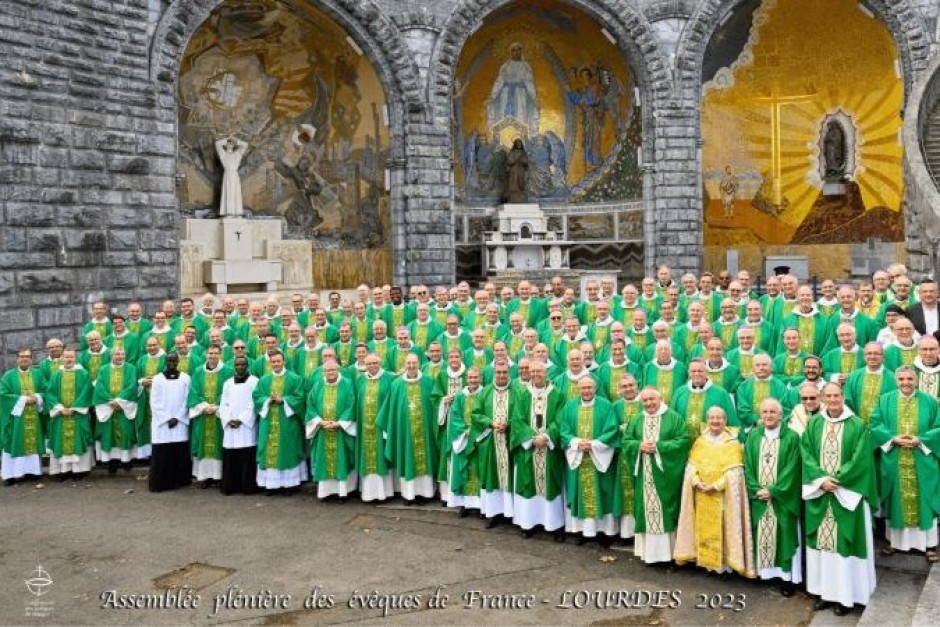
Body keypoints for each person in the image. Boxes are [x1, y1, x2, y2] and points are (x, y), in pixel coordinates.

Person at [802, 383, 877, 616]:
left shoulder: (857, 425)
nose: (833, 399)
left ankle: (846, 597)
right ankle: (824, 592)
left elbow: (861, 458)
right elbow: (806, 453)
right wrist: (820, 480)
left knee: (845, 543)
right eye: (829, 396)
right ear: (823, 398)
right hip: (821, 491)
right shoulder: (815, 423)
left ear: (843, 397)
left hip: (847, 494)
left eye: (837, 395)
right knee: (823, 545)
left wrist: (837, 480)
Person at [674, 406, 755, 578]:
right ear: (707, 420)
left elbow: (735, 473)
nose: (715, 421)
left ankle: (725, 566)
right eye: (712, 418)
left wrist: (716, 486)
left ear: (725, 421)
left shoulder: (732, 443)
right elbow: (691, 467)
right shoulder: (701, 441)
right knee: (702, 527)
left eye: (719, 418)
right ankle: (707, 564)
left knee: (724, 529)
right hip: (702, 494)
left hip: (722, 496)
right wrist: (696, 482)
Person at [869, 367, 940, 561]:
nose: (906, 382)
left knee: (924, 497)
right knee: (895, 499)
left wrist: (921, 440)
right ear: (896, 381)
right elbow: (875, 424)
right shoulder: (885, 400)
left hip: (922, 459)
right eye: (901, 379)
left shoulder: (929, 401)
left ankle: (929, 545)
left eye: (910, 378)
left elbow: (939, 427)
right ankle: (896, 542)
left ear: (916, 380)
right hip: (895, 458)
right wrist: (893, 438)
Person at [622, 387, 690, 563]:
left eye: (652, 399)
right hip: (644, 473)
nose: (649, 403)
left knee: (665, 509)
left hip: (665, 476)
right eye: (644, 401)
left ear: (660, 398)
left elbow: (683, 440)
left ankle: (669, 554)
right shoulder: (637, 419)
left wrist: (659, 447)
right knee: (645, 508)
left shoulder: (673, 417)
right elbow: (626, 441)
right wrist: (639, 446)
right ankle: (649, 554)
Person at [744, 399, 802, 595]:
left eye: (773, 412)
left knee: (784, 535)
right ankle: (764, 573)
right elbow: (748, 466)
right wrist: (755, 488)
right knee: (761, 533)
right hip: (759, 496)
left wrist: (774, 491)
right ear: (760, 414)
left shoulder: (792, 437)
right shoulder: (753, 436)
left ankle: (786, 578)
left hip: (782, 498)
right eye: (765, 412)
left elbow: (793, 468)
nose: (768, 415)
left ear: (781, 415)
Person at [559, 376, 619, 546]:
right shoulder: (570, 406)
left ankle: (604, 533)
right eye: (583, 388)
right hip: (579, 456)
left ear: (595, 388)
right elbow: (564, 430)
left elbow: (612, 429)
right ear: (579, 389)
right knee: (579, 492)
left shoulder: (606, 405)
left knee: (602, 492)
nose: (586, 391)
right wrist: (577, 443)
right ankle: (583, 531)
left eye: (589, 387)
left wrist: (593, 445)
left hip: (598, 457)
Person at [511, 361, 566, 538]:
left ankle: (554, 525)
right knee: (529, 483)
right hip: (529, 448)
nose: (535, 373)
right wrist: (532, 438)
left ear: (546, 372)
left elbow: (560, 419)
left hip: (549, 449)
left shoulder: (557, 394)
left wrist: (547, 436)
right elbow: (517, 419)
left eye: (539, 370)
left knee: (550, 483)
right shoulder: (522, 393)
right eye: (532, 370)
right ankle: (528, 523)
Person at [377, 353, 438, 504]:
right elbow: (390, 409)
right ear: (405, 365)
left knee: (425, 458)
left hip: (425, 431)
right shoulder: (396, 384)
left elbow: (436, 405)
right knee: (407, 457)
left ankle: (425, 493)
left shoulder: (429, 382)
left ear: (419, 364)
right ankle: (409, 494)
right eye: (409, 363)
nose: (411, 366)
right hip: (404, 433)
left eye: (414, 363)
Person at [473, 360, 520, 527]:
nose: (501, 375)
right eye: (498, 372)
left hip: (509, 442)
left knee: (509, 477)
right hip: (491, 442)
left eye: (504, 372)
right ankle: (493, 513)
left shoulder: (517, 392)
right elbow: (475, 414)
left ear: (509, 373)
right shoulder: (484, 392)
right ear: (494, 373)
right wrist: (491, 423)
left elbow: (522, 414)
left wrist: (509, 423)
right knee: (492, 476)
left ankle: (511, 512)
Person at [253, 352, 307, 495]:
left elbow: (300, 398)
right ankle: (271, 485)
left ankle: (288, 485)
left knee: (287, 450)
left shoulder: (295, 379)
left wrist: (283, 400)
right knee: (268, 450)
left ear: (284, 362)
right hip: (269, 421)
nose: (276, 364)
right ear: (270, 363)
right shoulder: (264, 380)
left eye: (278, 361)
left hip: (287, 421)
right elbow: (256, 396)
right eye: (273, 362)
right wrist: (268, 400)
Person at [305, 360, 357, 502]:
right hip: (323, 429)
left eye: (333, 370)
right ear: (323, 372)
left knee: (342, 460)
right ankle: (326, 492)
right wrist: (319, 422)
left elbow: (351, 405)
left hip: (340, 431)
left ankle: (343, 492)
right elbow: (311, 406)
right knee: (324, 461)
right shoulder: (318, 385)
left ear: (338, 370)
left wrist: (339, 423)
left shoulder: (347, 384)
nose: (330, 373)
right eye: (327, 370)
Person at [187, 344, 233, 487]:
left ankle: (218, 476)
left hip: (219, 414)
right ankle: (204, 477)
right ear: (206, 355)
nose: (212, 356)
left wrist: (216, 407)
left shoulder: (228, 371)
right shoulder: (198, 371)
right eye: (210, 353)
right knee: (202, 444)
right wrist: (204, 407)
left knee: (218, 445)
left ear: (220, 355)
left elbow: (229, 392)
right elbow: (193, 392)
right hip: (202, 414)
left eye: (215, 353)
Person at [1, 348, 46, 485]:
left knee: (32, 443)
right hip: (16, 419)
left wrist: (37, 398)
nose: (24, 359)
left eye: (27, 356)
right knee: (14, 442)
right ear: (17, 359)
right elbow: (2, 394)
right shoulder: (8, 375)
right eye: (22, 356)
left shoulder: (37, 374)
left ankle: (32, 472)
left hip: (33, 416)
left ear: (31, 359)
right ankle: (11, 475)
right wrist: (23, 400)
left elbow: (45, 390)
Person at [148, 353, 192, 492]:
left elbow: (187, 399)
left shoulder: (185, 378)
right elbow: (154, 401)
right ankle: (161, 483)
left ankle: (180, 481)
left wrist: (177, 417)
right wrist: (167, 418)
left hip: (179, 422)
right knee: (162, 454)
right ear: (165, 362)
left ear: (178, 361)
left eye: (174, 360)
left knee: (179, 452)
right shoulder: (157, 379)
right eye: (169, 360)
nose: (172, 363)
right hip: (162, 424)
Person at [92, 347, 139, 474]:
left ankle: (126, 461)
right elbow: (100, 386)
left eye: (122, 354)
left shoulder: (131, 368)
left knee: (125, 434)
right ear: (111, 355)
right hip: (108, 406)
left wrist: (120, 402)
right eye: (117, 354)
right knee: (108, 435)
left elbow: (132, 385)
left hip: (124, 407)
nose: (119, 356)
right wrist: (110, 401)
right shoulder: (103, 369)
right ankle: (111, 462)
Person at [356, 354, 396, 502]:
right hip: (364, 426)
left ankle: (384, 492)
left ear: (380, 363)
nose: (372, 366)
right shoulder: (360, 380)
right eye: (368, 364)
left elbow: (392, 402)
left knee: (382, 457)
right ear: (364, 365)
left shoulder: (389, 378)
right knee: (368, 458)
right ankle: (368, 493)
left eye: (374, 363)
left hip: (382, 426)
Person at [217, 356, 260, 495]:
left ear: (247, 366)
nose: (240, 367)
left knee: (246, 457)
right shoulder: (228, 383)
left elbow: (253, 403)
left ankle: (247, 486)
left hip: (246, 427)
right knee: (231, 456)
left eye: (242, 364)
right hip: (230, 425)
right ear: (234, 366)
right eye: (237, 364)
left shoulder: (254, 381)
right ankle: (230, 486)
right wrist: (228, 419)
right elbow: (223, 403)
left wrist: (241, 420)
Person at [446, 367, 484, 515]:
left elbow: (487, 414)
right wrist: (464, 431)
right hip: (463, 439)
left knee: (479, 470)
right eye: (470, 377)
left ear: (480, 378)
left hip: (480, 438)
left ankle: (482, 505)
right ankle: (465, 504)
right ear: (467, 379)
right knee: (465, 470)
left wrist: (476, 431)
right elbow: (454, 417)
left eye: (476, 377)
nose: (473, 380)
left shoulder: (484, 393)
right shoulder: (460, 396)